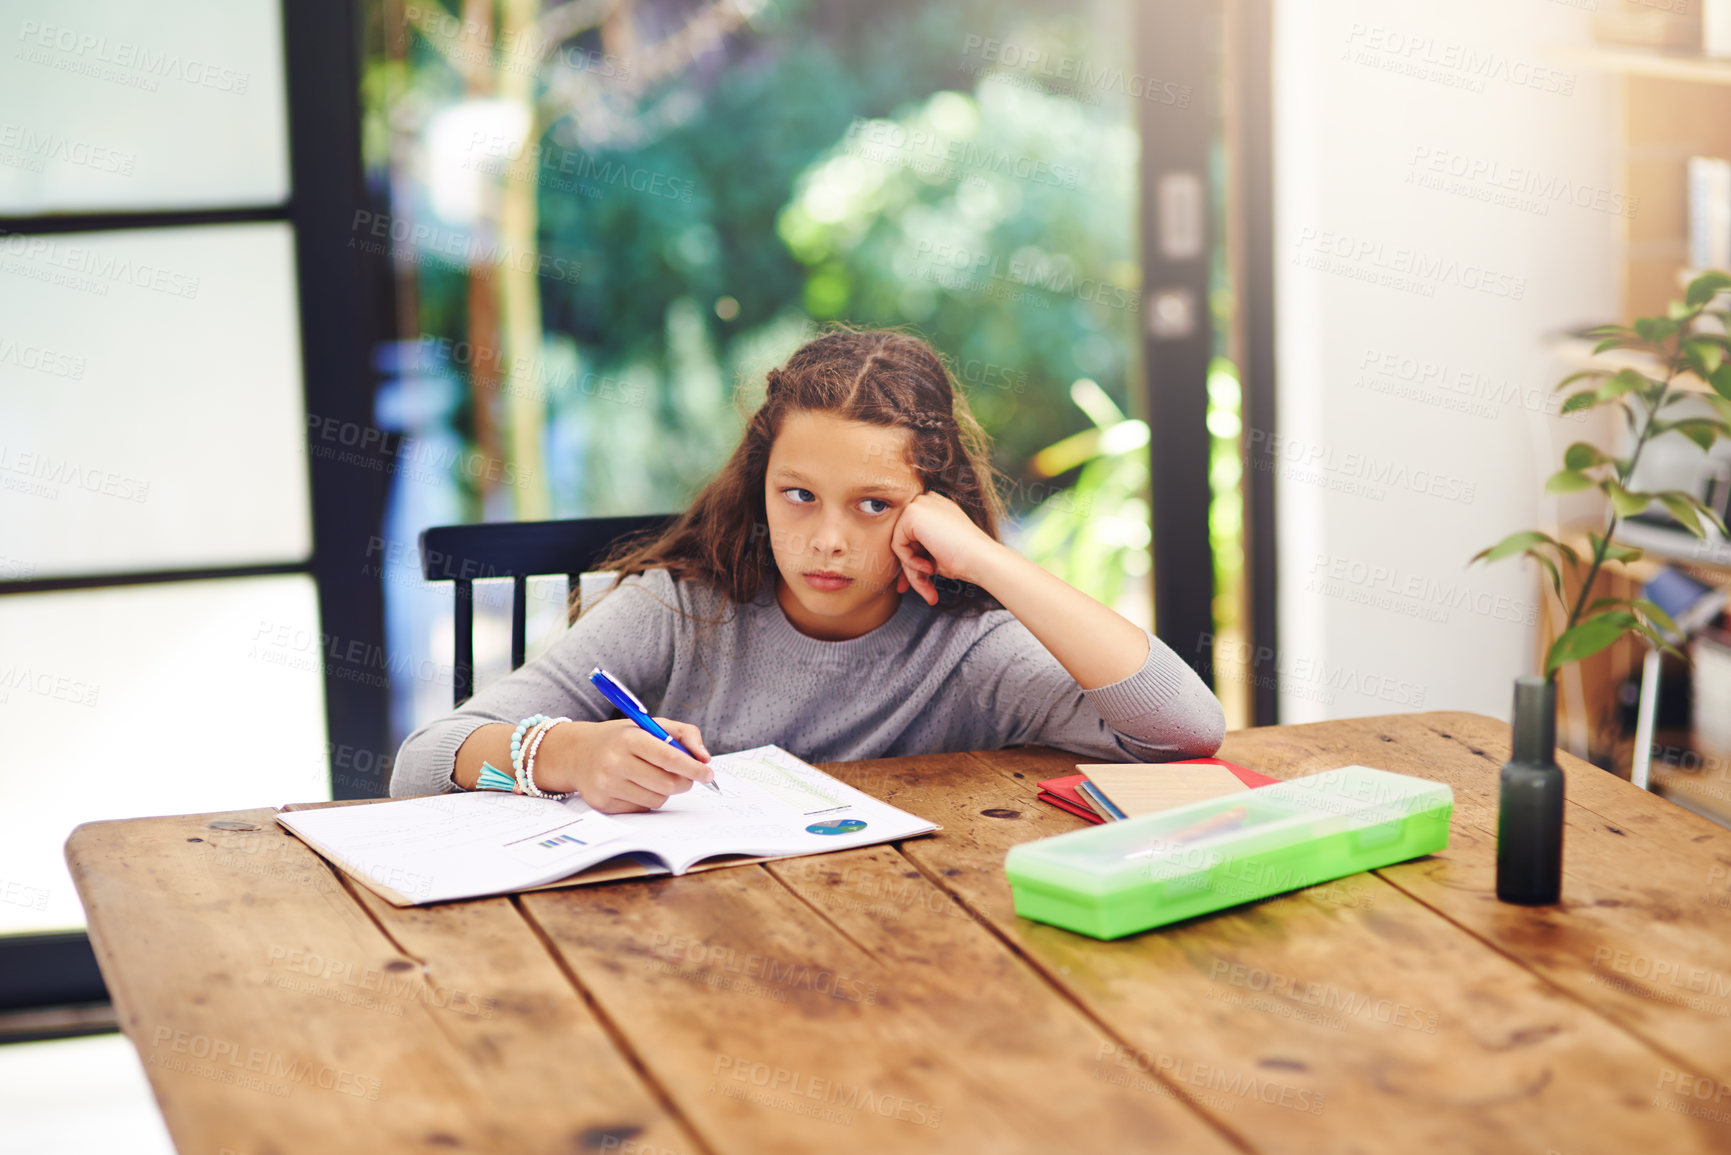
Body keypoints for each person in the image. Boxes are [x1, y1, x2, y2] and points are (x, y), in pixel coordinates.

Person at [390, 328, 1224, 810]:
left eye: (873, 504)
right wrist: (570, 753)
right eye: (797, 495)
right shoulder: (679, 612)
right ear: (759, 486)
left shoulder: (966, 651)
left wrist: (985, 559)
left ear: (933, 507)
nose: (826, 539)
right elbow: (423, 763)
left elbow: (1184, 731)